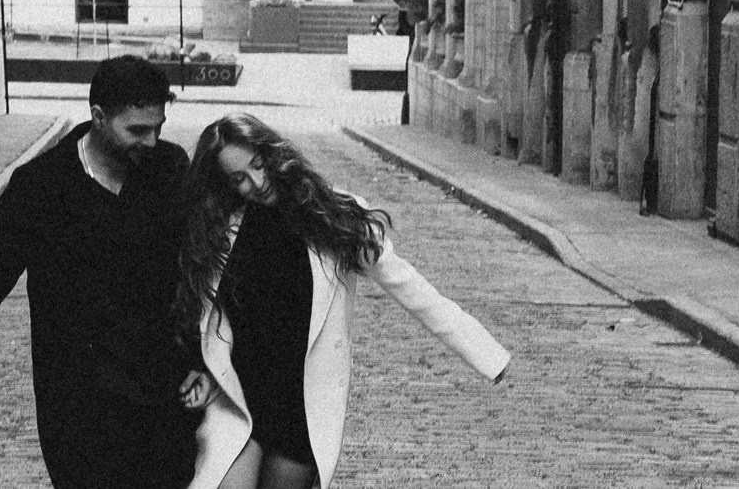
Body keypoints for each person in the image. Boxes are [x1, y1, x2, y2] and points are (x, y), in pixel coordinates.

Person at [0, 55, 213, 489]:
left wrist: (203, 362)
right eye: (137, 130)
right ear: (98, 117)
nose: (151, 140)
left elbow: (198, 274)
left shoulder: (169, 169)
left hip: (161, 393)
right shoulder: (41, 187)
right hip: (79, 401)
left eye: (158, 127)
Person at [178, 114, 507, 489]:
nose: (256, 183)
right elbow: (198, 308)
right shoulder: (221, 227)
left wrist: (485, 352)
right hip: (238, 398)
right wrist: (197, 367)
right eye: (239, 178)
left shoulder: (332, 214)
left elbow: (410, 287)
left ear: (273, 154)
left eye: (258, 165)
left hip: (299, 405)